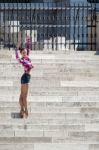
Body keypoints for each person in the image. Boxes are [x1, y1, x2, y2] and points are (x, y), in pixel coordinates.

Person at [15, 35, 34, 118]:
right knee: (22, 97)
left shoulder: (27, 57)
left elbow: (28, 47)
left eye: (25, 52)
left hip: (26, 78)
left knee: (22, 97)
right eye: (23, 53)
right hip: (24, 77)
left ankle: (23, 110)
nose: (25, 53)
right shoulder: (22, 60)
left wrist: (28, 39)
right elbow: (17, 57)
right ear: (22, 54)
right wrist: (17, 48)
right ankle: (24, 109)